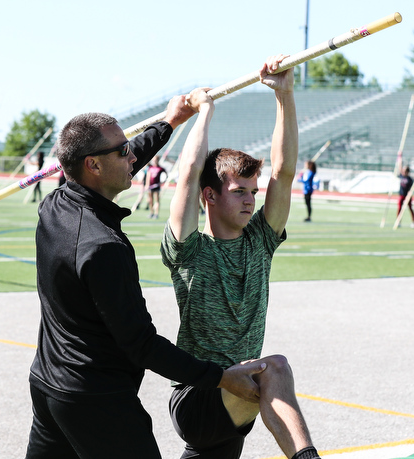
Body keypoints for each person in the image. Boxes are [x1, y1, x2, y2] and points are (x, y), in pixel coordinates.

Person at [25, 96, 266, 459]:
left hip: (47, 385)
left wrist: (168, 124)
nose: (132, 157)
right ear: (92, 164)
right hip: (96, 399)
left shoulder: (54, 205)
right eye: (123, 152)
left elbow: (123, 158)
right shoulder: (102, 247)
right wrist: (219, 377)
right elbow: (141, 345)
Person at [161, 55, 322, 459]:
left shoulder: (260, 242)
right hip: (201, 396)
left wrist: (284, 95)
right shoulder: (190, 249)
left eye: (252, 190)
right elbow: (186, 178)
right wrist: (205, 112)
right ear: (210, 196)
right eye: (239, 191)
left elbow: (284, 173)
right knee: (277, 369)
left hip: (240, 396)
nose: (251, 199)